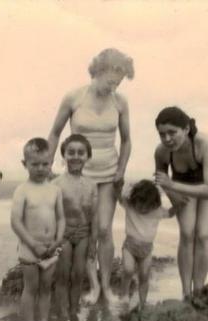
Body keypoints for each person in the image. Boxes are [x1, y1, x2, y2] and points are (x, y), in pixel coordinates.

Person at [48, 48, 134, 303]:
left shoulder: (120, 102)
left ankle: (106, 286)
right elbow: (54, 133)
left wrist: (121, 170)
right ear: (97, 71)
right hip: (77, 176)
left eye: (118, 83)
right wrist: (48, 165)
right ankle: (93, 285)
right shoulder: (74, 98)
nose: (113, 87)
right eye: (110, 81)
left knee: (104, 229)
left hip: (108, 175)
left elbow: (127, 141)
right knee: (85, 232)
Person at [153, 106, 208, 301]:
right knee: (187, 233)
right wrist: (172, 195)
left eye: (172, 132)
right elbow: (162, 181)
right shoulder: (162, 152)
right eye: (162, 134)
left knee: (203, 234)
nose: (167, 139)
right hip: (182, 183)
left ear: (186, 129)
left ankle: (199, 290)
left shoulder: (206, 144)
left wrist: (172, 185)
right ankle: (186, 293)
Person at [10, 138, 66, 321]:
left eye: (45, 164)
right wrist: (33, 244)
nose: (41, 168)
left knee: (45, 288)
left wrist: (58, 239)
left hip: (51, 249)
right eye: (35, 164)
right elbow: (15, 221)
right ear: (25, 164)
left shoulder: (55, 190)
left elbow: (60, 217)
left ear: (51, 163)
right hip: (30, 249)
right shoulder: (22, 190)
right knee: (31, 288)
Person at [52, 134, 98, 321]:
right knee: (62, 274)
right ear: (64, 155)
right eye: (71, 152)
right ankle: (62, 313)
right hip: (63, 234)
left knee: (79, 273)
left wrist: (94, 242)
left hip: (84, 234)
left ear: (88, 156)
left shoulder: (91, 184)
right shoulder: (56, 183)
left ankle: (73, 310)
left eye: (81, 153)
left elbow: (94, 217)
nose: (76, 156)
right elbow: (51, 214)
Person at [117, 180, 176, 313]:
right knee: (128, 269)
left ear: (154, 204)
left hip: (147, 250)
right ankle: (124, 294)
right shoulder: (130, 205)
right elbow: (118, 195)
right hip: (129, 247)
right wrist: (118, 184)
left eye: (146, 206)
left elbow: (171, 213)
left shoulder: (157, 211)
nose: (142, 209)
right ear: (134, 200)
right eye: (140, 204)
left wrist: (178, 201)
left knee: (144, 275)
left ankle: (143, 303)